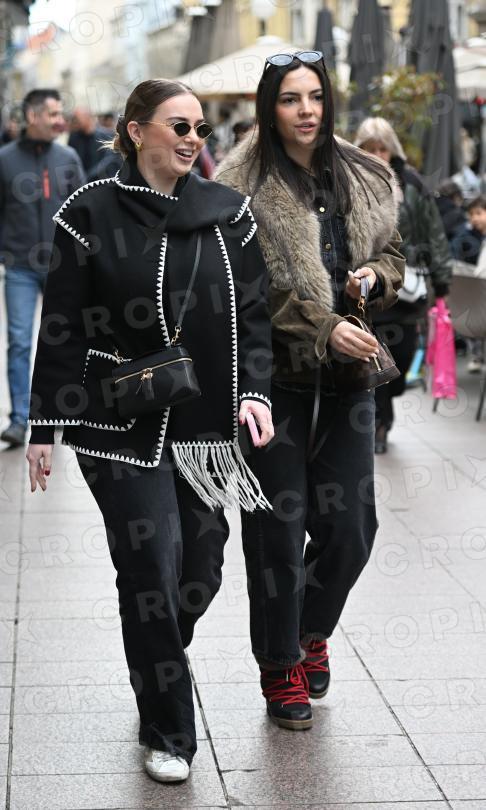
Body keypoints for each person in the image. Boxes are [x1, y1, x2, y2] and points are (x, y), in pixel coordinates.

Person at [26, 79, 274, 782]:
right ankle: (168, 730)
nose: (194, 138)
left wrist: (254, 392)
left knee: (200, 570)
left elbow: (255, 315)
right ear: (136, 131)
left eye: (199, 128)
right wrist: (44, 425)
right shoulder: (88, 212)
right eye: (179, 125)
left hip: (204, 429)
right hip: (116, 423)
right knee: (149, 570)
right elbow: (63, 324)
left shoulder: (230, 214)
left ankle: (155, 653)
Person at [215, 51, 404, 730]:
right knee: (276, 530)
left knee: (351, 527)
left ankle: (309, 629)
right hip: (271, 385)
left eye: (316, 97)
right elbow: (243, 290)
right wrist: (322, 326)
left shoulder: (363, 174)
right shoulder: (237, 186)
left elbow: (394, 254)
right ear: (269, 107)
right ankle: (279, 664)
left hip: (349, 381)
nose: (306, 110)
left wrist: (373, 280)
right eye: (291, 98)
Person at [355, 117, 453, 453]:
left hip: (408, 287)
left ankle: (390, 399)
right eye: (369, 148)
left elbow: (434, 231)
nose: (377, 155)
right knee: (376, 355)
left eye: (382, 148)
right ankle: (380, 424)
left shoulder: (411, 183)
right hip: (369, 287)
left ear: (392, 150)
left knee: (404, 355)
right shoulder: (349, 181)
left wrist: (442, 282)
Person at [0, 88, 85, 447]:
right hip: (19, 265)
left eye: (61, 114)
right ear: (32, 116)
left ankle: (59, 411)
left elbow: (83, 210)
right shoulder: (4, 159)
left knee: (63, 339)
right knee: (19, 342)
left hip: (61, 267)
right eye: (53, 114)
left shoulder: (67, 157)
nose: (60, 121)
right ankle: (19, 420)